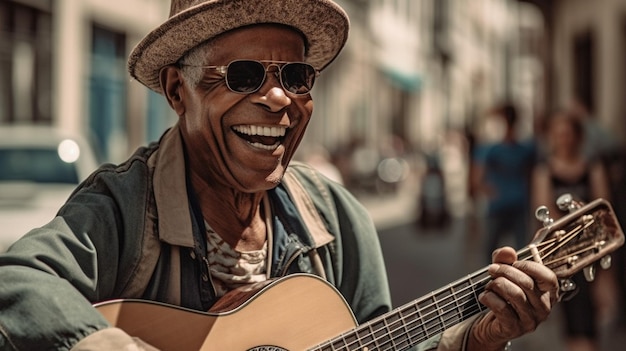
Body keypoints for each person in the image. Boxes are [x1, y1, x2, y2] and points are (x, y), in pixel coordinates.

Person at [0, 1, 559, 350]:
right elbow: (18, 280)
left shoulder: (339, 220)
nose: (277, 98)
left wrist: (476, 339)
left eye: (296, 75)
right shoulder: (123, 205)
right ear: (177, 92)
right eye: (243, 75)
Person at [531, 109, 615, 351]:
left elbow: (603, 208)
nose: (563, 139)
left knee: (596, 317)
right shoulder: (544, 170)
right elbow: (545, 212)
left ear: (577, 136)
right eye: (558, 134)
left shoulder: (592, 166)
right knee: (575, 320)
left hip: (596, 249)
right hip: (566, 253)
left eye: (568, 133)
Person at [471, 103, 537, 261]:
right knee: (500, 253)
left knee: (518, 253)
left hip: (514, 207)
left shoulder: (523, 149)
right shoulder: (491, 149)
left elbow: (476, 179)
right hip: (503, 207)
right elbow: (476, 180)